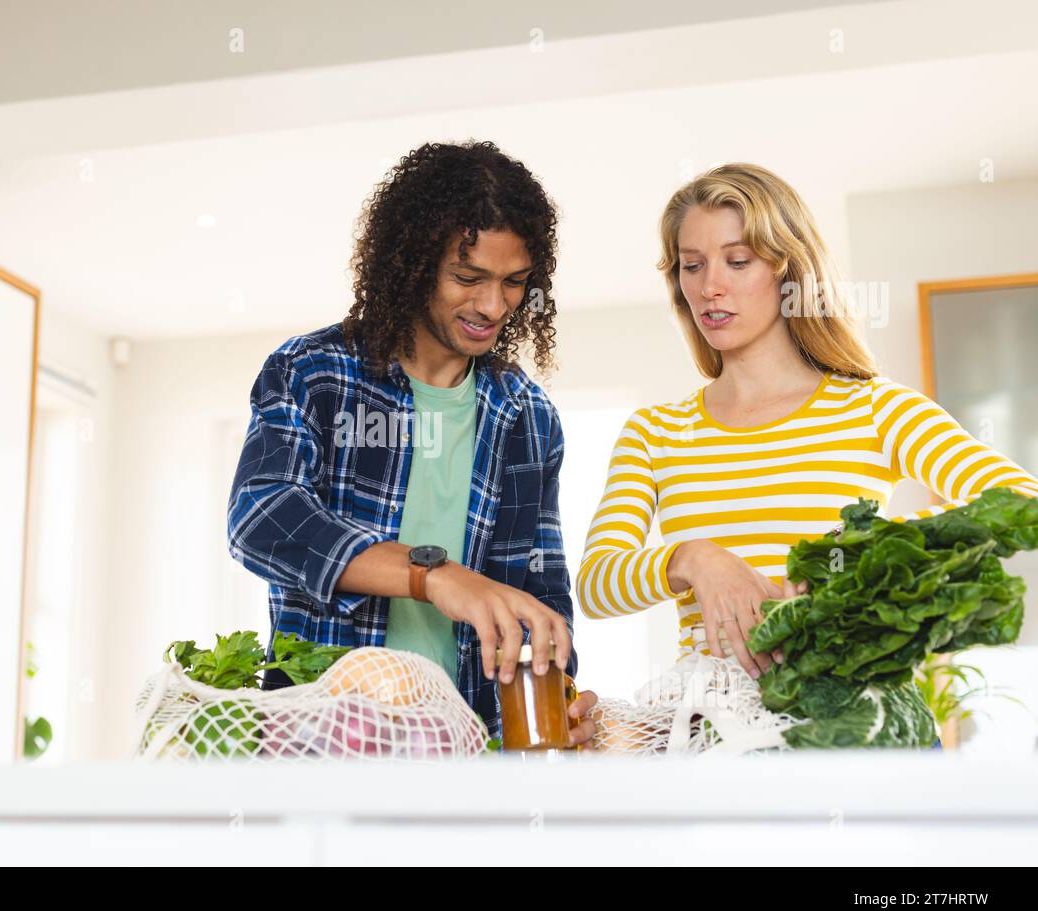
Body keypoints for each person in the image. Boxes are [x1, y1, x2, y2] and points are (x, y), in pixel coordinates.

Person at [575, 162, 1038, 680]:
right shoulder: (655, 432)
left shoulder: (875, 408)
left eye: (738, 261)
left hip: (853, 724)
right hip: (716, 732)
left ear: (788, 270)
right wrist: (693, 558)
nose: (711, 287)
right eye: (692, 265)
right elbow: (596, 584)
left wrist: (861, 552)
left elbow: (1021, 504)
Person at [228, 140, 597, 743]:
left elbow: (542, 591)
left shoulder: (527, 416)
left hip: (473, 757)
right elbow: (263, 518)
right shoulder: (314, 373)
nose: (491, 305)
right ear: (412, 261)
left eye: (513, 283)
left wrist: (564, 696)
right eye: (467, 277)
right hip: (325, 745)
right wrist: (434, 576)